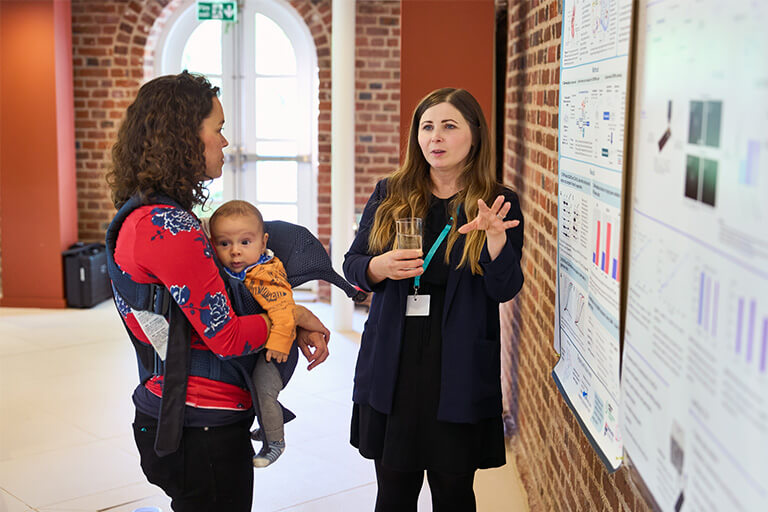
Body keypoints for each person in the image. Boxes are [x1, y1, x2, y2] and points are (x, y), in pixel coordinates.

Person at [106, 71, 330, 511]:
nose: (225, 142)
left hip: (171, 411)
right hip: (200, 426)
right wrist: (290, 319)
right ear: (186, 137)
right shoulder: (169, 226)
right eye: (218, 128)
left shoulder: (141, 213)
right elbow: (224, 337)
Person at [343, 87, 524, 512]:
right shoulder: (391, 192)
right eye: (427, 127)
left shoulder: (497, 203)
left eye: (448, 126)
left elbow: (505, 289)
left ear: (474, 136)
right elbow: (353, 267)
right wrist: (378, 267)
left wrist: (496, 238)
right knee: (394, 492)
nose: (435, 138)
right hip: (395, 365)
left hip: (458, 369)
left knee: (455, 492)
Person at [209, 200, 294, 468]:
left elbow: (284, 311)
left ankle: (275, 442)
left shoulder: (265, 275)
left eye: (245, 242)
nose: (235, 252)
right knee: (247, 386)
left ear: (263, 241)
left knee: (262, 388)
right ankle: (270, 422)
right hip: (259, 341)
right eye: (225, 244)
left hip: (277, 347)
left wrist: (279, 344)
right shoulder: (236, 270)